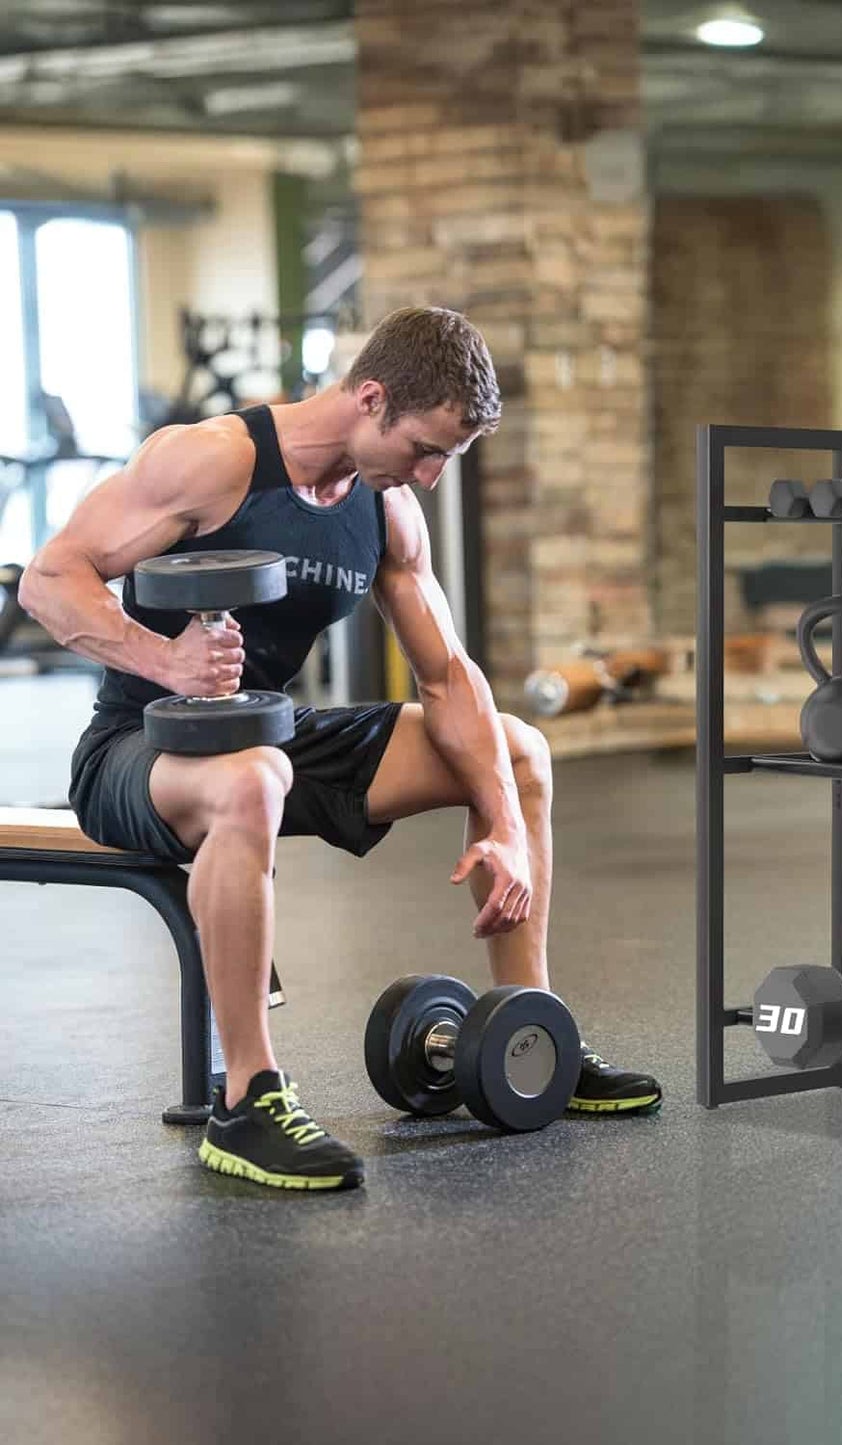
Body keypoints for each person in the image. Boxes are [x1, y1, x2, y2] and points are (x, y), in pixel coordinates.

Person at [19, 306, 662, 1193]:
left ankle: (529, 1027)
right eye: (425, 449)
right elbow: (50, 579)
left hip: (268, 733)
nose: (431, 478)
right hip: (140, 745)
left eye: (450, 459)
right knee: (254, 776)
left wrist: (505, 822)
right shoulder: (212, 460)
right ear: (370, 398)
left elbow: (447, 677)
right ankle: (249, 1100)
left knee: (514, 751)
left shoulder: (386, 506)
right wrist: (163, 658)